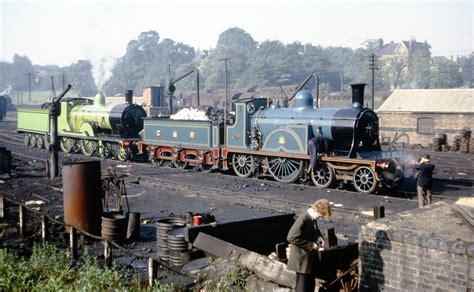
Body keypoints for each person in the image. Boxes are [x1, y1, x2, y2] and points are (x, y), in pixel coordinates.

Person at [287, 199, 332, 292]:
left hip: (308, 261)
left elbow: (315, 229)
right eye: (320, 216)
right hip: (301, 261)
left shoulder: (312, 219)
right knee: (302, 288)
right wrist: (311, 245)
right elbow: (291, 237)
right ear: (316, 210)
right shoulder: (303, 219)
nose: (320, 218)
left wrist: (319, 237)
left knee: (310, 287)